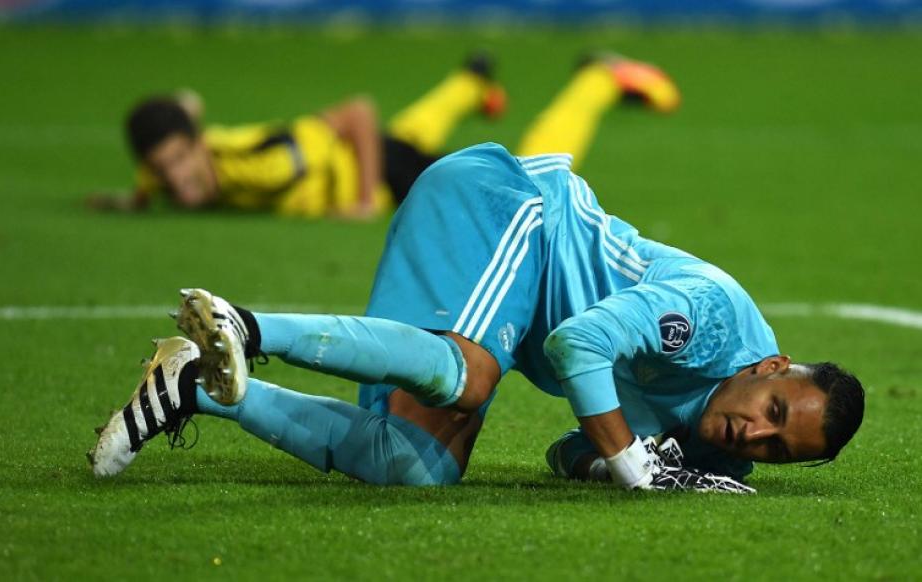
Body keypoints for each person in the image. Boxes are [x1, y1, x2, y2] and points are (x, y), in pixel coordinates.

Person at [89, 59, 862, 494]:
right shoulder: (712, 316)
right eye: (772, 410)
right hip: (508, 204)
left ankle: (195, 383)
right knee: (468, 376)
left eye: (777, 450)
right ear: (769, 368)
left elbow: (565, 453)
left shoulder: (722, 449)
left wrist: (617, 461)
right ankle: (245, 326)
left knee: (414, 466)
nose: (756, 435)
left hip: (509, 297)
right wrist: (634, 464)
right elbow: (578, 345)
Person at [87, 54, 679, 219]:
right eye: (163, 170)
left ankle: (599, 79)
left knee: (528, 181)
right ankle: (472, 82)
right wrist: (130, 199)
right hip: (374, 158)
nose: (176, 180)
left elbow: (357, 116)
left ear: (198, 144)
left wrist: (367, 197)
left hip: (381, 172)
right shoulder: (168, 166)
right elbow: (181, 121)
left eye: (181, 162)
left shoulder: (266, 166)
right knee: (412, 136)